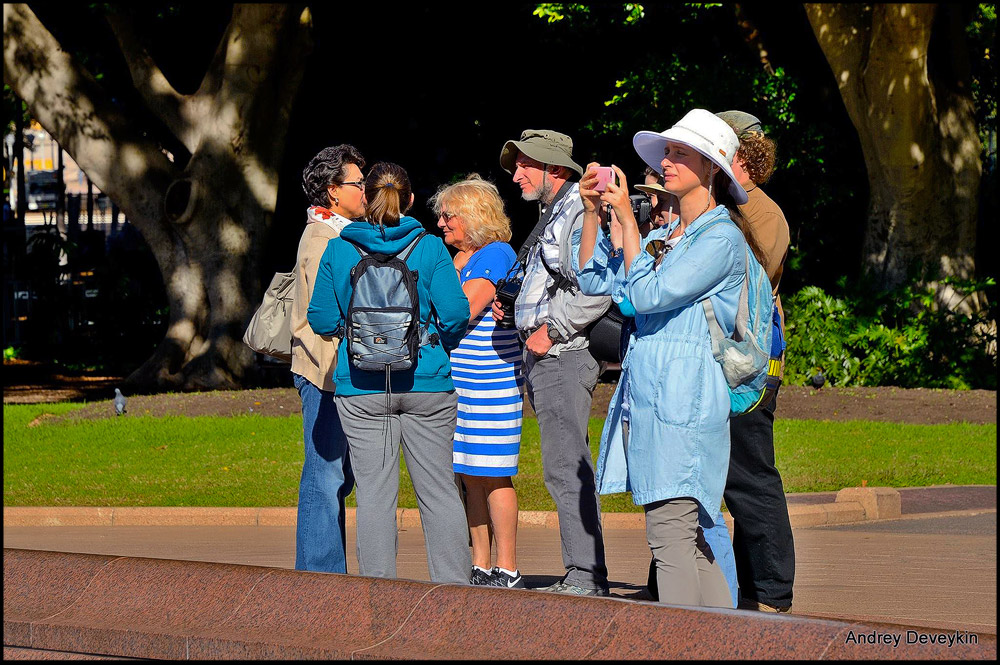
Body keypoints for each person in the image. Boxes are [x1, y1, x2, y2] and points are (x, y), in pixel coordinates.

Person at [575, 109, 765, 608]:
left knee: (670, 534)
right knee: (693, 539)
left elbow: (647, 295)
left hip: (686, 397)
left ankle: (684, 643)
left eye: (681, 153)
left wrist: (629, 231)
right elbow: (600, 283)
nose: (666, 161)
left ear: (712, 167)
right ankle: (721, 643)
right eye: (668, 152)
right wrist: (597, 213)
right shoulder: (668, 237)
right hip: (656, 396)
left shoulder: (721, 239)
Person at [307, 161, 472, 584]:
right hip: (427, 382)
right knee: (438, 492)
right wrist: (436, 345)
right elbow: (455, 314)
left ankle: (378, 595)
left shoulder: (339, 248)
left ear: (364, 199)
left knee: (376, 497)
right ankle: (453, 597)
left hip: (361, 387)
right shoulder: (431, 247)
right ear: (411, 200)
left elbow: (321, 318)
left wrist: (353, 336)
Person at [492, 129, 612, 596]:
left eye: (525, 165)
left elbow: (598, 287)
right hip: (548, 355)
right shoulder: (555, 211)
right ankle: (584, 573)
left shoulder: (577, 214)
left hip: (562, 355)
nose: (516, 174)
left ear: (555, 170)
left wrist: (549, 330)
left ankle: (585, 576)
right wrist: (518, 304)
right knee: (564, 464)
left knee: (566, 467)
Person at [714, 109, 794, 613]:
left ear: (739, 155)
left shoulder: (762, 211)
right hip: (726, 359)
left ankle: (771, 594)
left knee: (748, 475)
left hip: (751, 364)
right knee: (720, 475)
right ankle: (742, 588)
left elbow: (743, 278)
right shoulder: (724, 206)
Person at [430, 174, 524, 589]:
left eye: (449, 216)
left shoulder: (496, 253)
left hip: (493, 380)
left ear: (474, 215)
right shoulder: (457, 259)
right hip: (459, 379)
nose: (441, 224)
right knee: (468, 473)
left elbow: (463, 310)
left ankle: (507, 566)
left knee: (493, 472)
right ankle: (480, 563)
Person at [290, 144, 362, 573]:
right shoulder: (322, 237)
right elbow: (326, 313)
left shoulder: (337, 233)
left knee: (335, 476)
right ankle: (321, 580)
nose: (365, 190)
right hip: (324, 373)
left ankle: (322, 575)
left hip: (337, 372)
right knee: (326, 476)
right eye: (357, 183)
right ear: (333, 191)